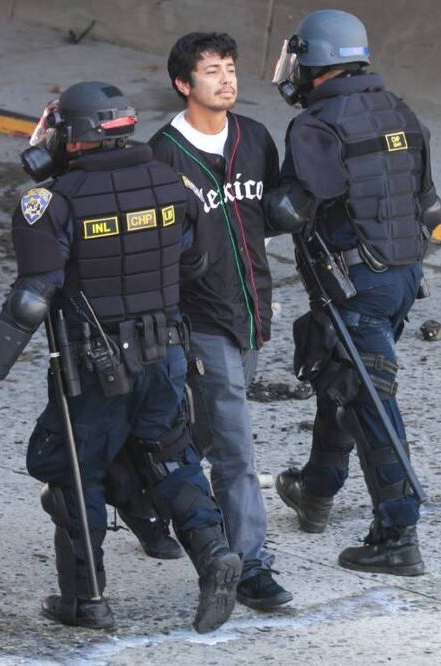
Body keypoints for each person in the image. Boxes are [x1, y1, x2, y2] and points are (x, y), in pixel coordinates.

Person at [0, 81, 241, 632]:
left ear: (75, 137)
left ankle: (86, 600)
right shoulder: (172, 179)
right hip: (165, 351)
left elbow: (33, 295)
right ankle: (215, 553)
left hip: (94, 364)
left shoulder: (51, 201)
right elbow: (199, 257)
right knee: (172, 457)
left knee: (76, 475)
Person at [265, 10, 441, 576]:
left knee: (370, 403)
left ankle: (398, 533)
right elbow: (428, 205)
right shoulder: (401, 111)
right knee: (338, 377)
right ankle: (317, 490)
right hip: (400, 278)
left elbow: (294, 208)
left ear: (312, 59)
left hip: (354, 284)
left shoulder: (318, 124)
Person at [120, 31, 291, 610]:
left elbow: (265, 218)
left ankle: (142, 495)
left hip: (251, 313)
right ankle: (250, 566)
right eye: (212, 70)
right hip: (199, 320)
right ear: (182, 84)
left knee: (206, 431)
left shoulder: (256, 140)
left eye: (230, 68)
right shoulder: (163, 155)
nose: (226, 79)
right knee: (237, 449)